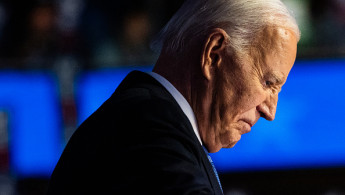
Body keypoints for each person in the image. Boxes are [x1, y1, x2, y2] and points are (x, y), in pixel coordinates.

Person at [47, 0, 300, 194]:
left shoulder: (153, 121)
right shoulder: (145, 127)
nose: (270, 111)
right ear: (213, 54)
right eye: (268, 82)